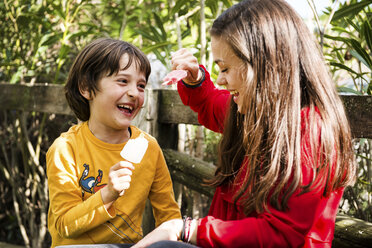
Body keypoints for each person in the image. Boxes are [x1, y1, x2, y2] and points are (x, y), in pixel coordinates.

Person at [133, 0, 356, 247]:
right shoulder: (250, 113)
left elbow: (283, 235)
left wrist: (186, 228)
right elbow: (209, 102)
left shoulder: (311, 131)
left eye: (225, 68)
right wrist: (195, 79)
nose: (221, 80)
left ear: (264, 65)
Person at [47, 38, 181, 248]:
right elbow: (64, 225)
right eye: (122, 81)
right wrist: (107, 194)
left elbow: (170, 218)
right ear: (86, 88)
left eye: (141, 85)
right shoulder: (65, 149)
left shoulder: (149, 147)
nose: (134, 93)